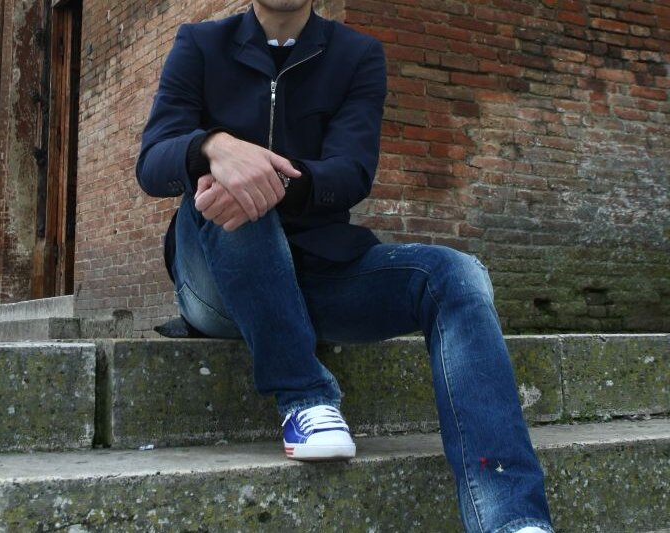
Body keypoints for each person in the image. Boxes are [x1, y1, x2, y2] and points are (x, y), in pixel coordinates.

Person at [136, 1, 554, 531]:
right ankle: (304, 397)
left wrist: (268, 175)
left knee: (456, 273)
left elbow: (351, 172)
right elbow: (153, 163)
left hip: (320, 271)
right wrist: (215, 147)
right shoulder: (200, 44)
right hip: (216, 282)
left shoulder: (356, 54)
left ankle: (512, 518)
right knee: (232, 195)